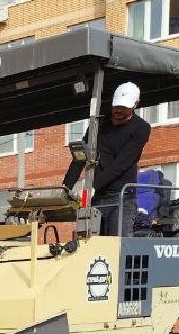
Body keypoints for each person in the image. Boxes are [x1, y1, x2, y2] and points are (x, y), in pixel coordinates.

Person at [64, 82, 152, 236]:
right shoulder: (98, 124)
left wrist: (93, 185)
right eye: (116, 106)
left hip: (122, 199)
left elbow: (121, 164)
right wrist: (66, 188)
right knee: (88, 244)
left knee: (116, 245)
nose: (118, 110)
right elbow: (80, 157)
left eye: (123, 108)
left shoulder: (141, 128)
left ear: (135, 105)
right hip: (97, 198)